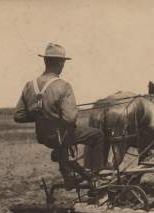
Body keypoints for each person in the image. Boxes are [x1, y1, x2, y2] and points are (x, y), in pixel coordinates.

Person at [14, 43, 104, 187]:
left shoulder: (30, 85)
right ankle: (95, 175)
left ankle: (68, 176)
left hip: (43, 136)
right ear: (60, 63)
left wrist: (39, 114)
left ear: (45, 61)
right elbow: (69, 118)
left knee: (62, 145)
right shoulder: (63, 86)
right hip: (61, 136)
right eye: (63, 63)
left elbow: (18, 116)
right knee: (97, 135)